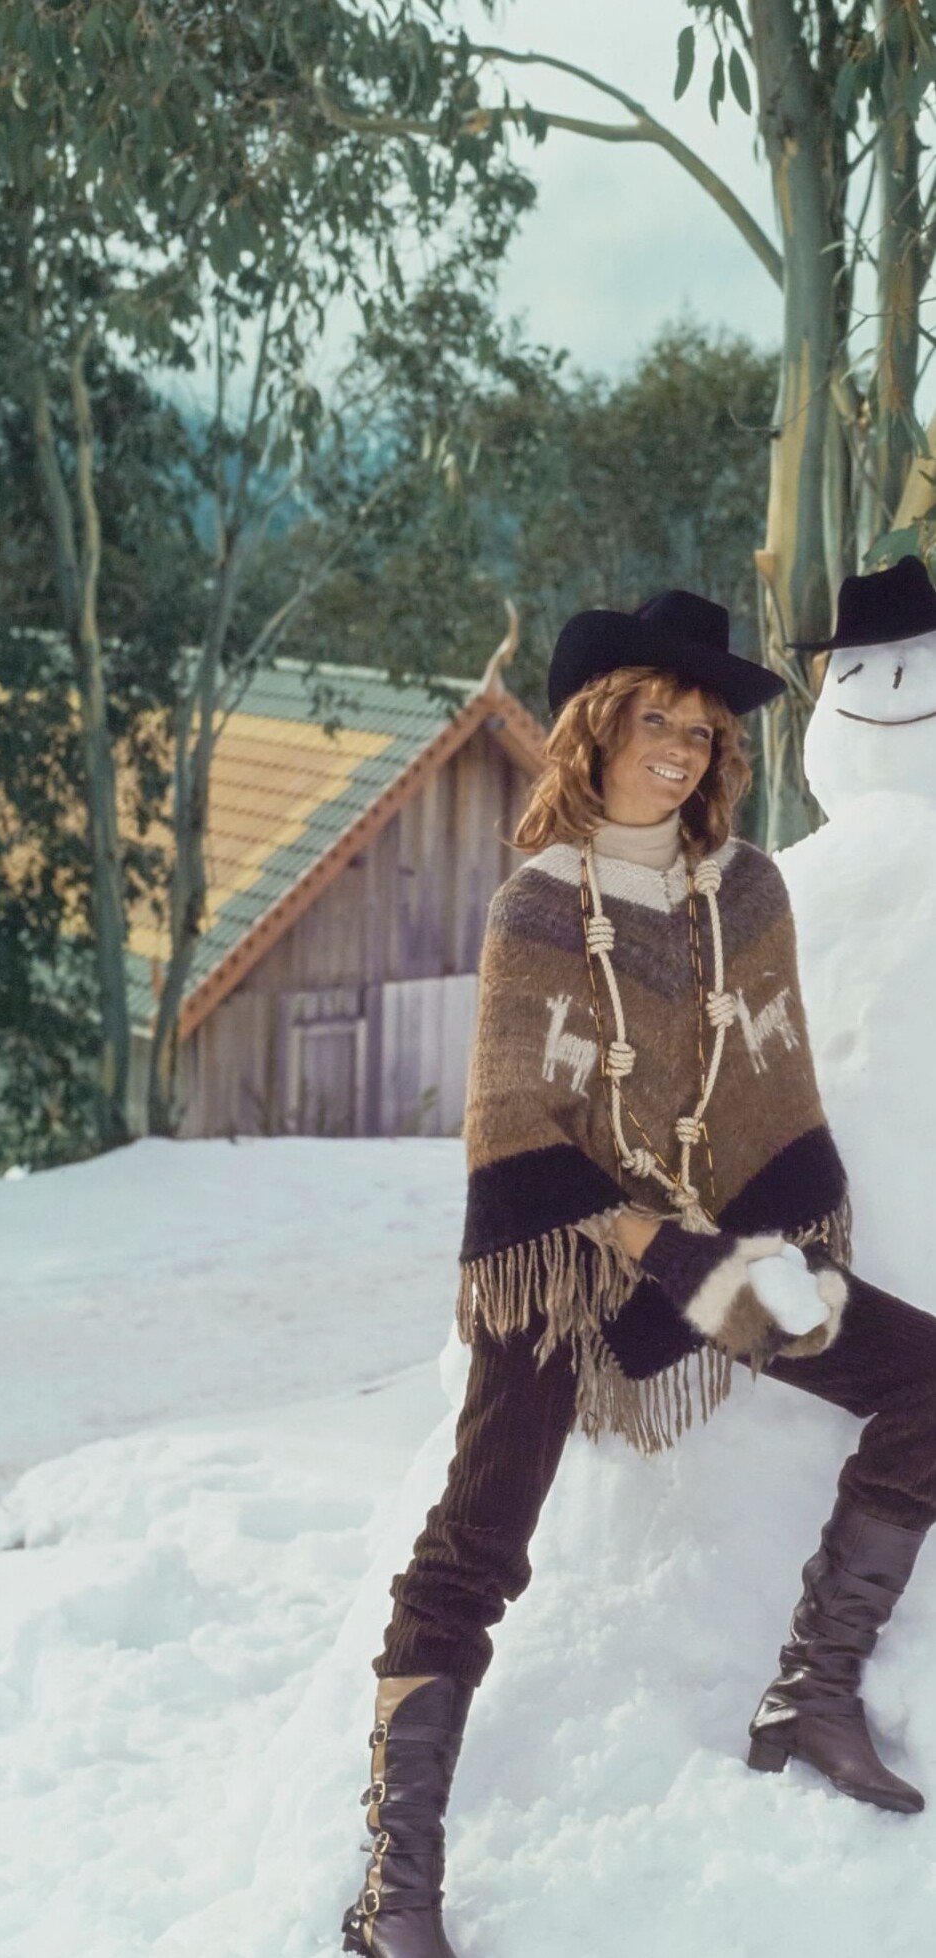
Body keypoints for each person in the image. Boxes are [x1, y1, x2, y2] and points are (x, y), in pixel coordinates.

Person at [340, 588, 936, 1958]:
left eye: (702, 729)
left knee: (926, 1377)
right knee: (475, 1542)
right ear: (597, 728)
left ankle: (814, 1688)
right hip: (564, 1267)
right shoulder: (537, 908)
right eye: (654, 719)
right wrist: (642, 1239)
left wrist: (763, 1247)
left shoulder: (749, 893)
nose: (679, 748)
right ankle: (395, 1881)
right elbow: (515, 1122)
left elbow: (768, 1084)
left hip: (713, 1259)